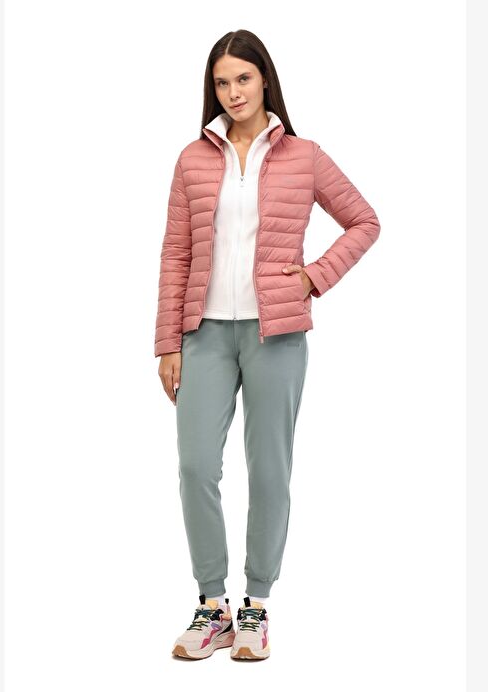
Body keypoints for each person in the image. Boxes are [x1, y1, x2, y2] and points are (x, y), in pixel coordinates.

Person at [154, 29, 380, 661]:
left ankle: (255, 606)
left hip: (275, 334)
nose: (233, 92)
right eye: (222, 82)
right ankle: (212, 606)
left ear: (264, 80)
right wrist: (167, 342)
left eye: (243, 79)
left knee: (270, 468)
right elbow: (175, 253)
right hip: (203, 333)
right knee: (196, 466)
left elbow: (364, 221)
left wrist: (313, 277)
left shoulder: (304, 155)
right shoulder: (192, 159)